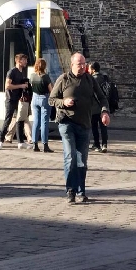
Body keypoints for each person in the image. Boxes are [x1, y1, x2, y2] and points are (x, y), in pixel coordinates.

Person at [49, 52, 110, 204]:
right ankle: (70, 190)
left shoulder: (89, 79)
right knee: (71, 157)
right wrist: (63, 102)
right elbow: (51, 99)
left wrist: (104, 112)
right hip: (67, 123)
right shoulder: (63, 79)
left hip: (84, 125)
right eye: (79, 64)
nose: (82, 67)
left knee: (82, 160)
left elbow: (102, 98)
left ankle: (81, 191)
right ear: (72, 65)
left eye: (84, 64)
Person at [0, 53, 30, 150]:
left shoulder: (22, 71)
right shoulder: (12, 72)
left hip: (19, 100)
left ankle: (21, 142)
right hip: (10, 99)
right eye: (24, 60)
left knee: (20, 120)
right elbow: (7, 86)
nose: (26, 62)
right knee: (8, 120)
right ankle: (0, 141)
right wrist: (21, 86)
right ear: (19, 61)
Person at [31, 58, 54, 153]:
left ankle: (35, 144)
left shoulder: (32, 76)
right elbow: (51, 90)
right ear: (44, 66)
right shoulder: (46, 77)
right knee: (44, 122)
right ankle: (45, 144)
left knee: (36, 121)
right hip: (44, 99)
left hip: (34, 98)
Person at [88, 61, 110, 152]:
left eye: (89, 68)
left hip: (94, 107)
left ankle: (96, 144)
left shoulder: (93, 79)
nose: (88, 70)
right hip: (104, 106)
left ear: (93, 70)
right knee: (103, 126)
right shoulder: (104, 78)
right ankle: (104, 144)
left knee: (94, 126)